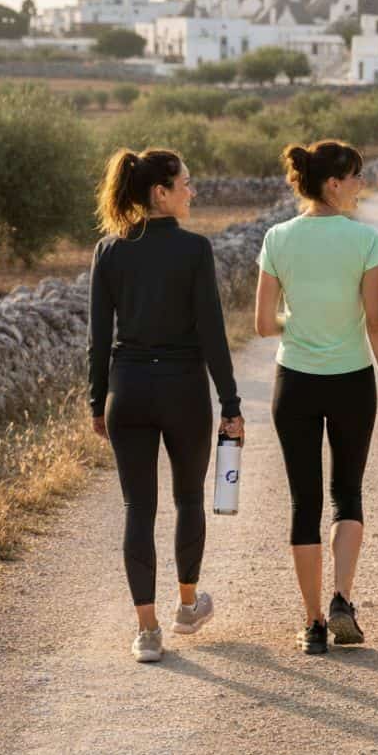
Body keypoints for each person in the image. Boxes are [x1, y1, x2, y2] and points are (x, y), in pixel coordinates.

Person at [87, 147, 246, 664]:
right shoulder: (195, 250)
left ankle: (147, 631)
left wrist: (96, 400)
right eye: (186, 184)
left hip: (126, 390)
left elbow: (98, 338)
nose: (192, 192)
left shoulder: (109, 251)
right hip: (182, 390)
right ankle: (186, 606)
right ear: (161, 192)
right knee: (188, 500)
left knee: (138, 507)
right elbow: (212, 334)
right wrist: (231, 401)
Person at [255, 140, 378, 655]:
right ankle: (343, 598)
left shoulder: (277, 238)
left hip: (294, 381)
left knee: (304, 501)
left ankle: (313, 623)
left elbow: (261, 323)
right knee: (348, 493)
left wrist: (300, 320)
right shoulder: (363, 240)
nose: (361, 185)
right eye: (355, 176)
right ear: (333, 183)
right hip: (352, 381)